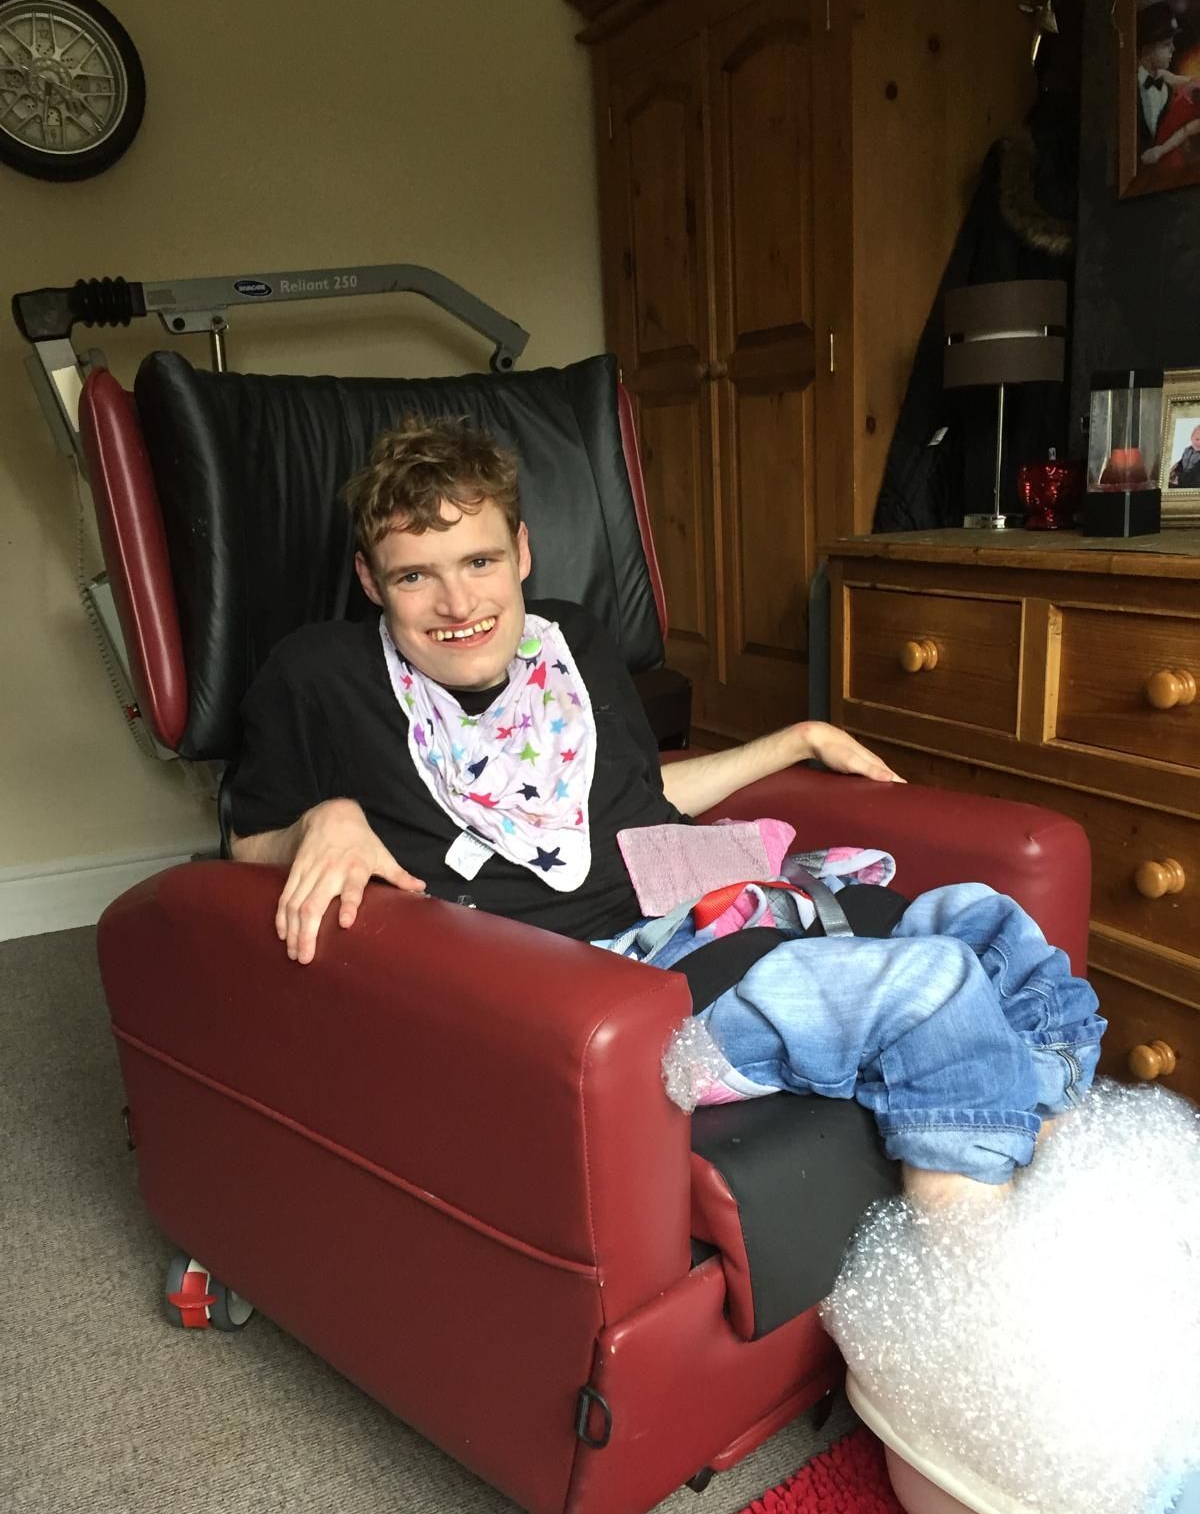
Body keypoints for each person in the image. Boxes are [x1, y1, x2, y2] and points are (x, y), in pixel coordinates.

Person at [228, 417, 1104, 1213]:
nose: (459, 607)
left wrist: (793, 739)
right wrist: (323, 819)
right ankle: (961, 1299)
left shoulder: (573, 642)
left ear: (522, 552)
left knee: (993, 926)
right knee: (933, 984)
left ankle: (1027, 1164)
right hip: (600, 1001)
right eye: (416, 576)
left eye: (480, 563)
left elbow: (635, 804)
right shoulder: (320, 674)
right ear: (370, 582)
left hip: (688, 928)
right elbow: (241, 847)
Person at [1137, 1, 1200, 170]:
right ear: (1146, 50)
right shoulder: (1131, 85)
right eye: (1166, 44)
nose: (1173, 49)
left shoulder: (1167, 90)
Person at [1170, 422, 1200, 488]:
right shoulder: (1187, 450)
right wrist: (1174, 471)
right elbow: (1181, 464)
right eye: (1197, 439)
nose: (1199, 443)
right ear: (1191, 438)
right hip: (1182, 476)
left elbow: (1195, 473)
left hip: (1192, 481)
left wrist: (1179, 479)